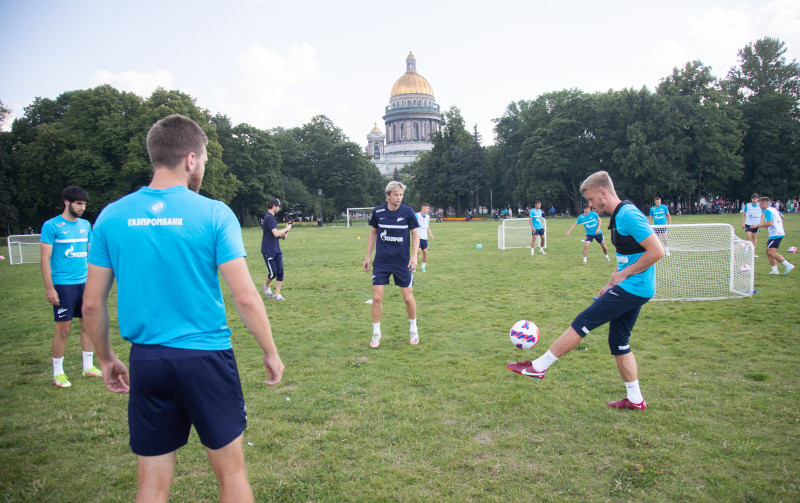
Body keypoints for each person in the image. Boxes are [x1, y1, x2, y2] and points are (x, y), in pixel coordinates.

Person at [82, 114, 284, 503]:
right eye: (205, 158)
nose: (203, 166)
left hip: (148, 361)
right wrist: (270, 352)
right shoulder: (213, 213)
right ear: (190, 159)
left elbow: (92, 304)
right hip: (205, 358)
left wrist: (106, 359)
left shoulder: (111, 215)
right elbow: (245, 296)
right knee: (232, 473)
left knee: (152, 485)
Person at [507, 171, 665, 410]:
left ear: (603, 192)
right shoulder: (620, 215)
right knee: (619, 342)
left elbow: (657, 251)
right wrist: (613, 281)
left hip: (634, 287)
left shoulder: (629, 214)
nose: (589, 205)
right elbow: (628, 256)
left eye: (590, 200)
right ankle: (635, 399)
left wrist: (622, 276)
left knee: (584, 321)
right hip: (632, 286)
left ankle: (538, 368)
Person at [40, 186, 101, 388]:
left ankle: (88, 367)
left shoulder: (85, 226)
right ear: (66, 202)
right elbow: (45, 258)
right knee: (64, 329)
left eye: (84, 204)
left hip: (85, 283)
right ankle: (58, 373)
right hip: (63, 284)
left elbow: (92, 256)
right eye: (78, 203)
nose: (82, 207)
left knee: (87, 324)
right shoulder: (52, 226)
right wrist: (50, 288)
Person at [363, 181, 420, 348]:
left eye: (401, 195)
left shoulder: (408, 212)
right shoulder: (378, 212)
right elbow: (373, 233)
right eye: (396, 195)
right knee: (377, 297)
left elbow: (415, 235)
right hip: (381, 262)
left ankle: (413, 329)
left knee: (408, 298)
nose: (399, 198)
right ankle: (376, 333)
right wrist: (367, 256)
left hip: (402, 262)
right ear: (388, 195)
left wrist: (414, 256)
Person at [751, 196, 794, 275]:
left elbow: (770, 222)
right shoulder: (773, 209)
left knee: (771, 252)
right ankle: (774, 270)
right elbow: (781, 216)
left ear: (764, 203)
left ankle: (788, 265)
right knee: (768, 252)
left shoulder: (767, 211)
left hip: (776, 234)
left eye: (759, 203)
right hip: (777, 233)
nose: (759, 205)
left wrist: (757, 226)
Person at [261, 198, 292, 300]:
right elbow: (275, 233)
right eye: (278, 206)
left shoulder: (272, 218)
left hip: (276, 248)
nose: (279, 209)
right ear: (274, 206)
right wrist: (287, 228)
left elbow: (275, 235)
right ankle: (266, 286)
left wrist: (283, 235)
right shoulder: (269, 217)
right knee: (273, 272)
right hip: (268, 249)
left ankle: (277, 295)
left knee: (280, 272)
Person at [415, 203, 435, 272]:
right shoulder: (417, 215)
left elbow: (427, 227)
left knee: (425, 252)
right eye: (427, 208)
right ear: (423, 208)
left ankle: (423, 267)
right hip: (417, 237)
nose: (428, 210)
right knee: (418, 251)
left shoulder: (427, 217)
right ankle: (413, 266)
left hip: (424, 237)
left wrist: (431, 234)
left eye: (428, 208)